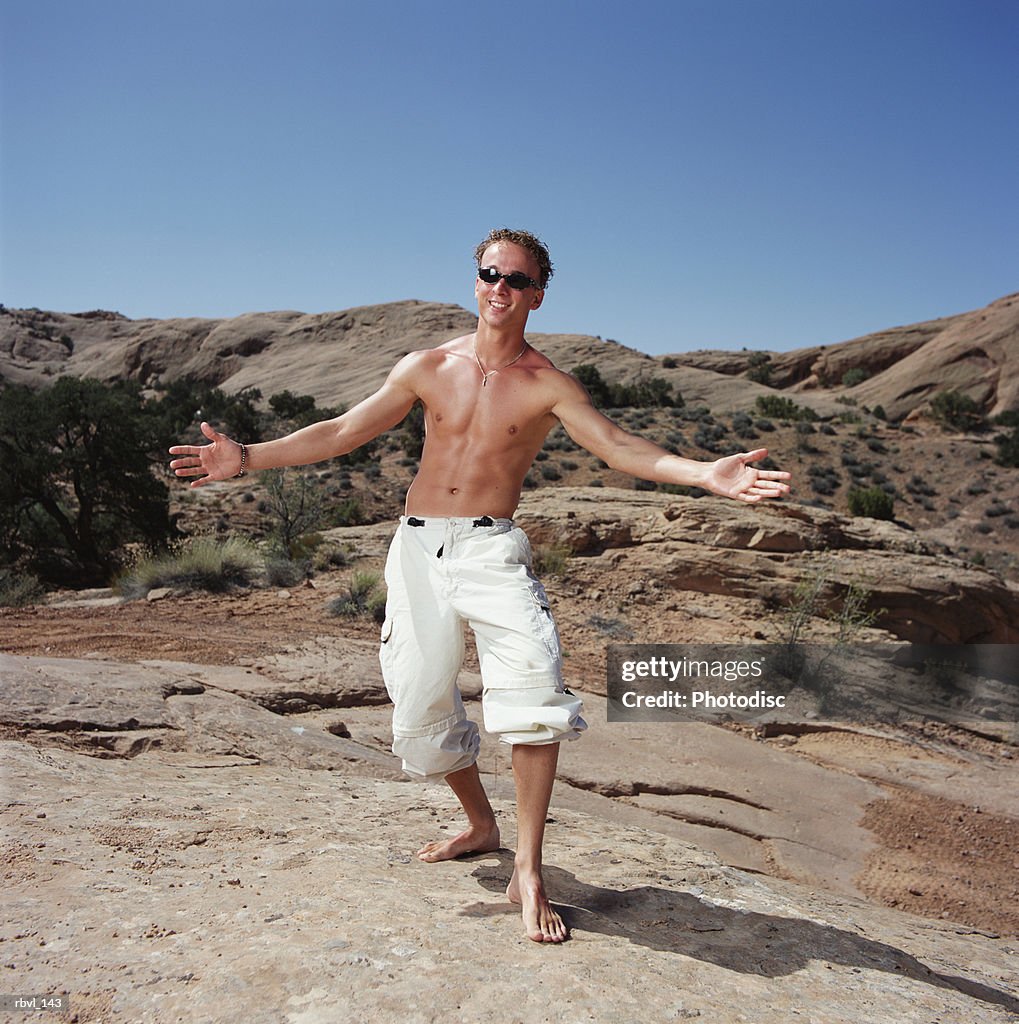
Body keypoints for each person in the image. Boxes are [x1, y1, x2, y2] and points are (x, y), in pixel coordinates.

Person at [169, 227, 791, 943]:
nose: (501, 288)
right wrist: (246, 457)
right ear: (475, 282)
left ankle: (527, 868)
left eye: (517, 280)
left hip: (491, 549)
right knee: (418, 707)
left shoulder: (547, 384)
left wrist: (703, 472)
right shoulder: (427, 366)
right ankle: (478, 824)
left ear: (537, 295)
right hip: (416, 548)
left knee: (533, 691)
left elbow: (620, 448)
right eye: (490, 274)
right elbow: (342, 430)